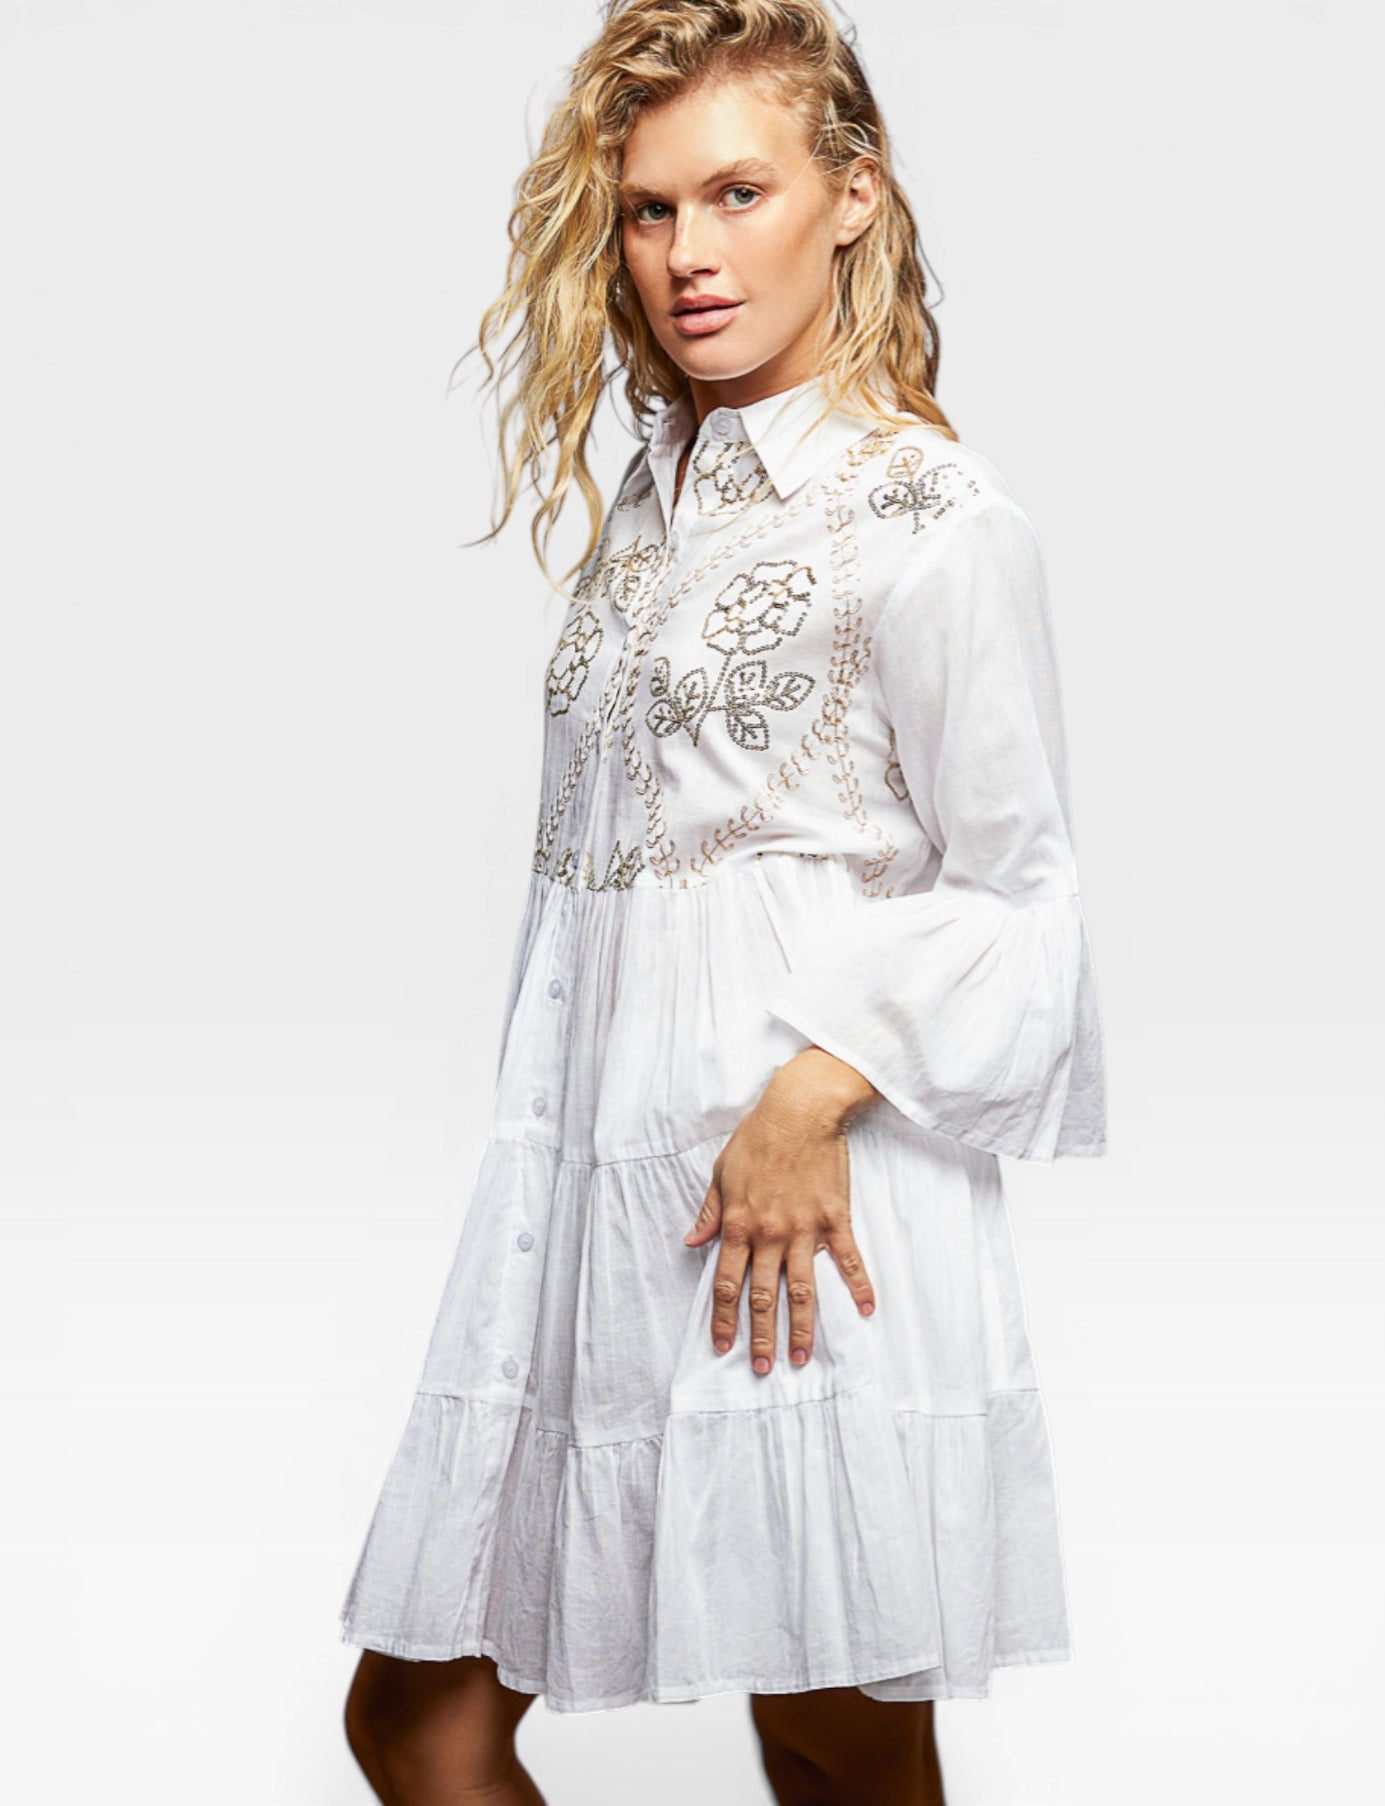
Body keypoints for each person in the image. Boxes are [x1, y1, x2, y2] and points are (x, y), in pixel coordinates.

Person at [338, 2, 1107, 1801]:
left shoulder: (927, 515)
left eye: (737, 191)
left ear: (852, 195)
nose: (687, 254)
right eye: (647, 209)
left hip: (793, 1210)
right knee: (420, 1719)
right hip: (600, 1208)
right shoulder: (655, 503)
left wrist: (811, 1083)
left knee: (836, 1748)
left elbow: (1025, 895)